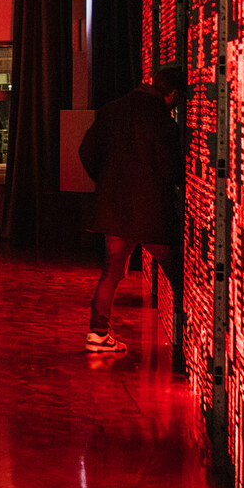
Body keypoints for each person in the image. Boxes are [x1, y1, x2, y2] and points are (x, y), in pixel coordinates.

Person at [80, 63, 189, 354]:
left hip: (114, 208)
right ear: (173, 94)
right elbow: (172, 170)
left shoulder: (112, 110)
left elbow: (87, 152)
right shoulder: (164, 122)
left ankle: (98, 334)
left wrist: (105, 181)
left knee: (112, 270)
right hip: (151, 210)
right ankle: (192, 330)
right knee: (175, 269)